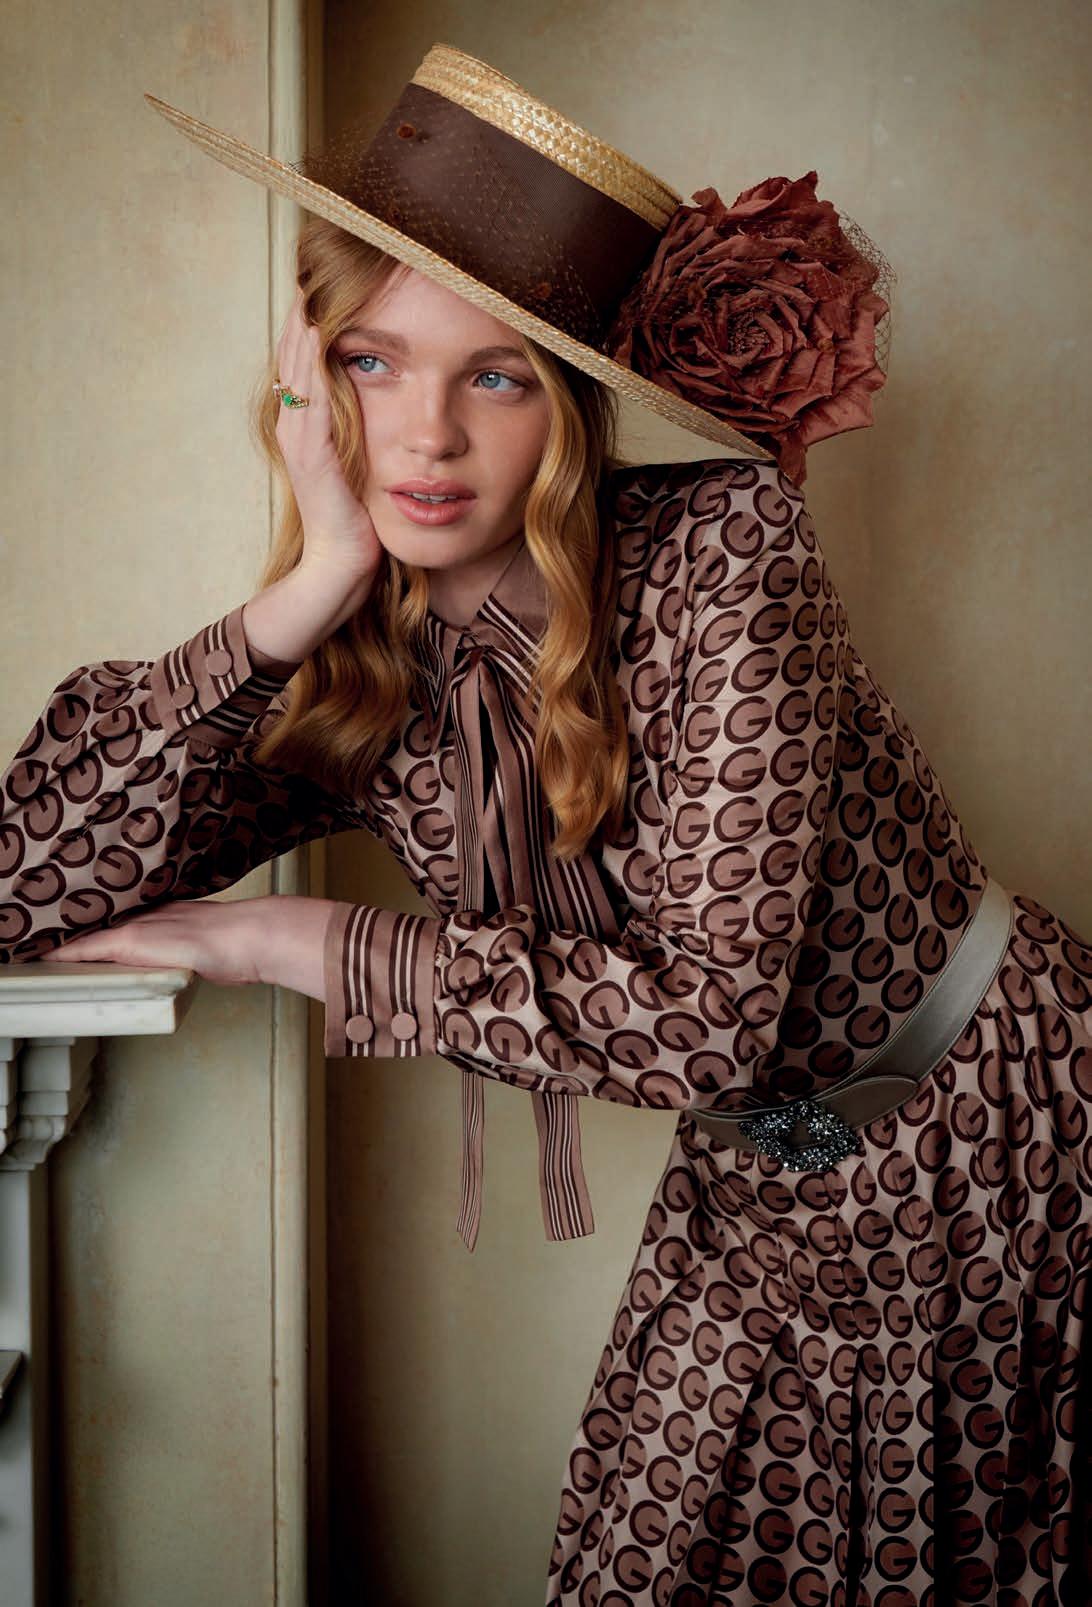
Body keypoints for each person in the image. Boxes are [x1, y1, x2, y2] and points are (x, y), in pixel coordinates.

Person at [3, 39, 1089, 1605]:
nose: (427, 436)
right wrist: (303, 590)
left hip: (1007, 1134)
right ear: (306, 379)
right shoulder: (359, 663)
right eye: (373, 362)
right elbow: (23, 872)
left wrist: (295, 938)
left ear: (571, 404)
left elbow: (705, 1024)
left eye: (495, 374)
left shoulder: (727, 557)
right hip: (764, 1183)